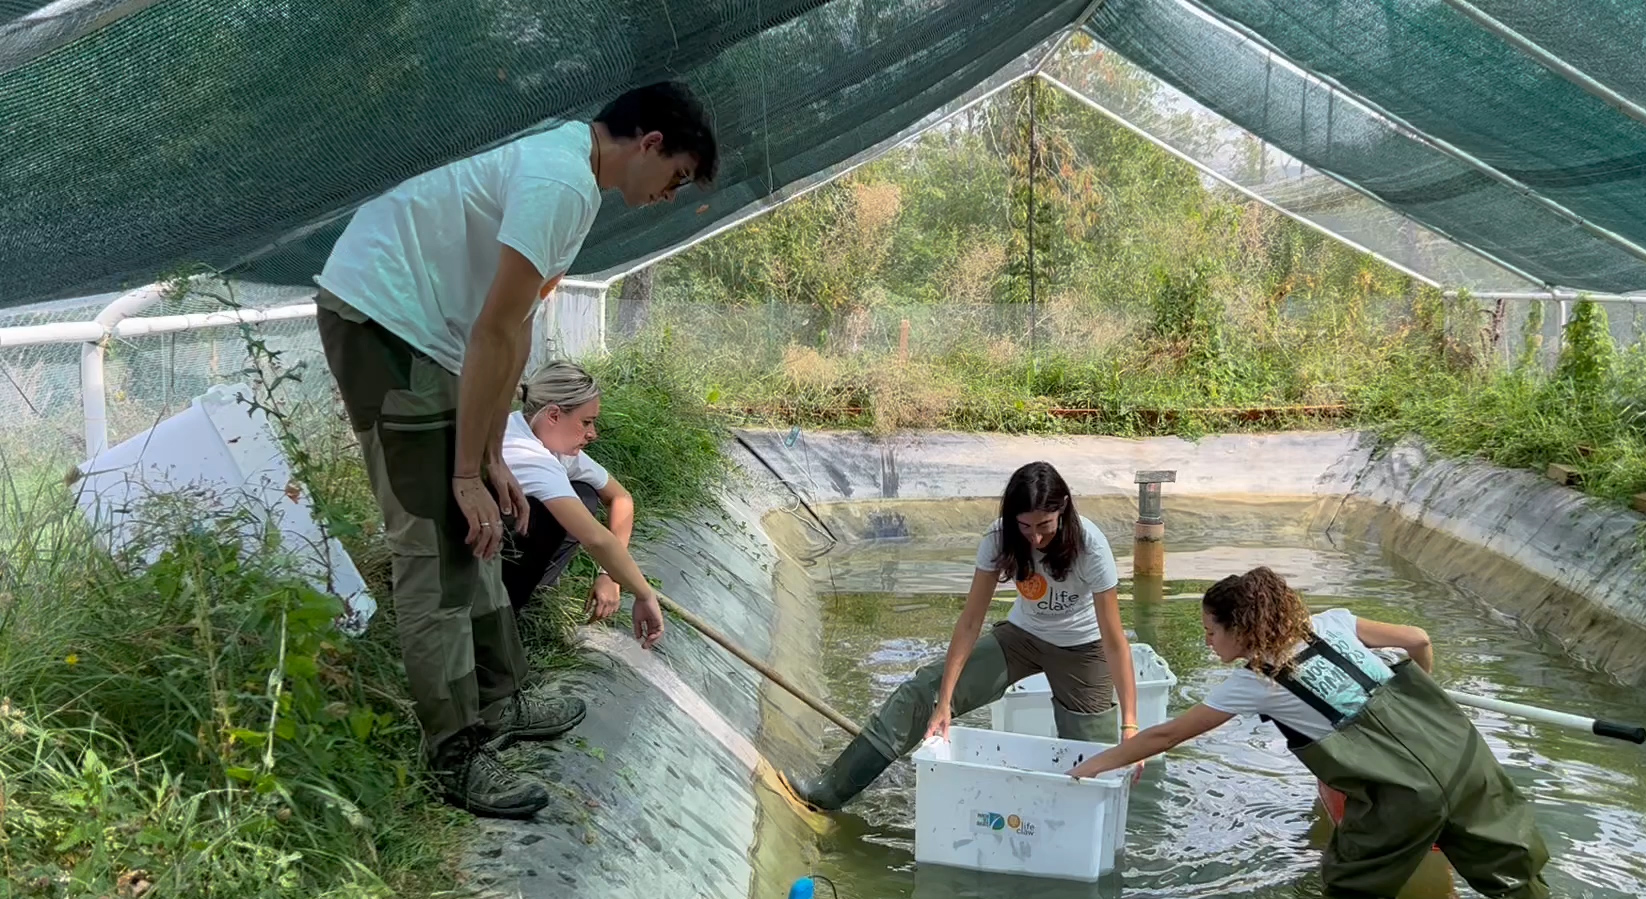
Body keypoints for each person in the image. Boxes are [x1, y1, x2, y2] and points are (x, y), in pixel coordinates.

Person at [313, 82, 717, 819]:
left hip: (428, 335)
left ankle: (501, 699)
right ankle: (456, 752)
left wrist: (494, 452)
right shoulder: (561, 179)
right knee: (434, 543)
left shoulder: (579, 185)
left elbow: (517, 330)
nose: (670, 195)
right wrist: (464, 469)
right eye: (678, 176)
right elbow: (494, 331)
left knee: (485, 522)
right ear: (650, 142)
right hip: (380, 319)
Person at [1069, 567, 1550, 899]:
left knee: (1347, 893)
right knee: (1518, 883)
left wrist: (1092, 765)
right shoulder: (1333, 622)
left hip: (1404, 796)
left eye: (1211, 631)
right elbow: (1418, 640)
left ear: (1241, 629)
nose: (1208, 642)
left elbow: (1167, 734)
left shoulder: (1256, 680)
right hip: (1465, 757)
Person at [783, 462, 1139, 811]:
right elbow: (971, 621)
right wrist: (944, 702)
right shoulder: (998, 537)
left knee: (1095, 762)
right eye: (1026, 526)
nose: (1036, 537)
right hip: (1022, 637)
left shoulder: (1091, 546)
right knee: (922, 692)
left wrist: (1130, 724)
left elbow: (1113, 639)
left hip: (1083, 649)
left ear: (1062, 509)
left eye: (1045, 525)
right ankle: (828, 792)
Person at [498, 362, 663, 630]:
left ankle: (532, 595)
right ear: (553, 415)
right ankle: (503, 613)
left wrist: (610, 574)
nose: (592, 434)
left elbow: (620, 498)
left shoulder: (544, 437)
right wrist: (644, 594)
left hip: (498, 535)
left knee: (585, 494)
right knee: (558, 514)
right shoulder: (529, 456)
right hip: (471, 546)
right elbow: (595, 539)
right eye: (586, 422)